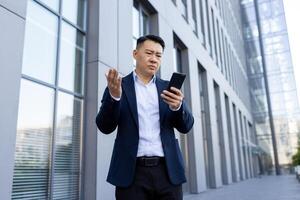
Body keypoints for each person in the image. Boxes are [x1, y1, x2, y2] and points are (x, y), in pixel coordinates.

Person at [96, 34, 194, 200]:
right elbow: (105, 127)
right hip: (131, 174)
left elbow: (186, 126)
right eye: (149, 53)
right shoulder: (118, 86)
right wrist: (114, 98)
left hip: (167, 172)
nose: (154, 59)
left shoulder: (169, 89)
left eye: (158, 55)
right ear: (135, 54)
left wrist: (177, 107)